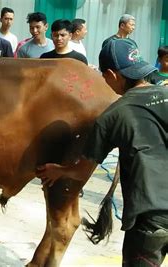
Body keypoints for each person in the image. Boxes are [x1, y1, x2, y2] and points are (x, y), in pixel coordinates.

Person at [36, 39, 168, 266]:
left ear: (111, 75)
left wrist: (59, 170)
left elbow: (82, 170)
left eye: (104, 77)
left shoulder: (113, 115)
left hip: (152, 217)